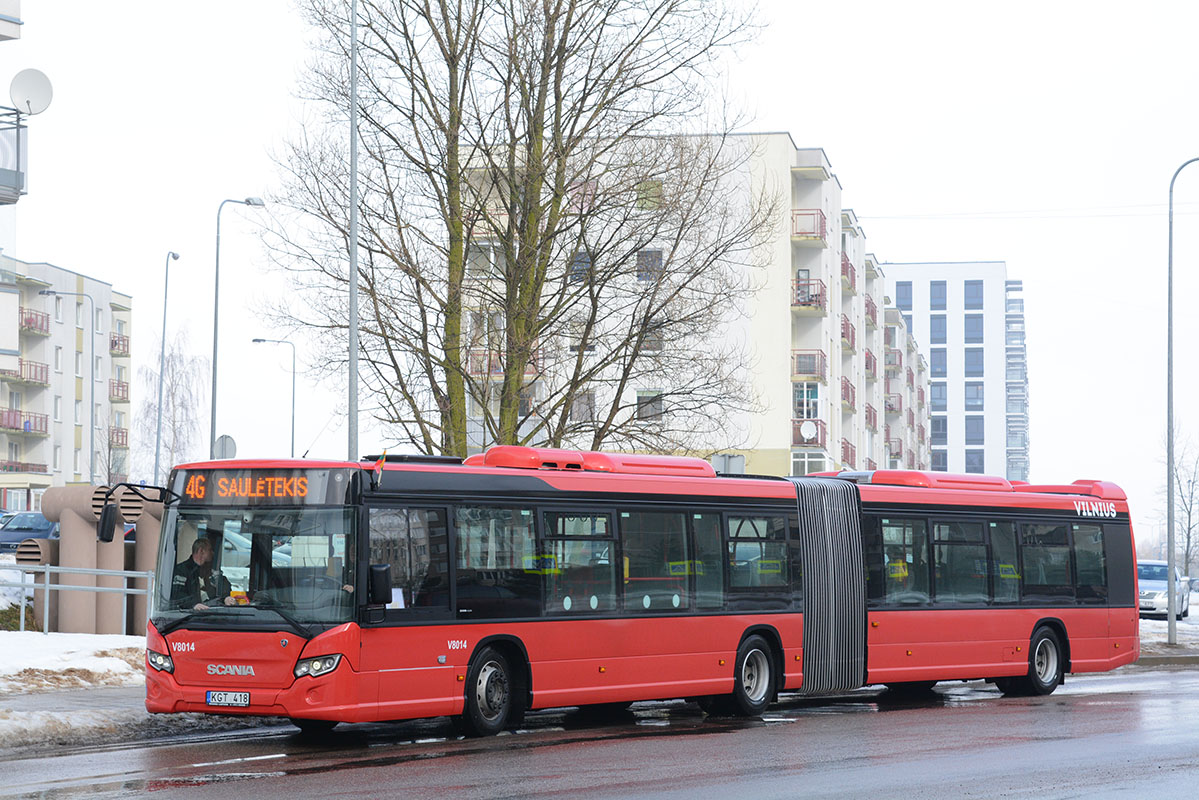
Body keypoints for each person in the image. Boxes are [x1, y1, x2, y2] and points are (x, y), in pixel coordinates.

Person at [171, 537, 235, 611]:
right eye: (210, 550)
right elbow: (177, 593)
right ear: (201, 551)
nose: (212, 553)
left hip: (213, 613)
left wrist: (225, 598)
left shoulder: (211, 568)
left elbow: (223, 584)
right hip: (191, 615)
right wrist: (193, 604)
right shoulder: (182, 570)